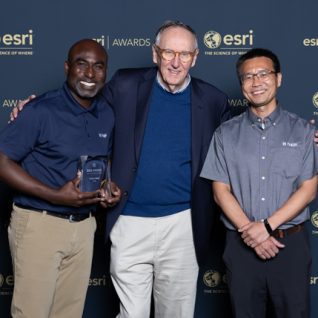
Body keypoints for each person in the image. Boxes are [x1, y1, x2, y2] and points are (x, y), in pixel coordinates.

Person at [10, 21, 231, 317]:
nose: (176, 62)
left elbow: (242, 140)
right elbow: (80, 101)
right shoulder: (125, 85)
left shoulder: (214, 99)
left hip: (182, 224)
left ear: (195, 57)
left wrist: (305, 134)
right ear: (155, 54)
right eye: (168, 53)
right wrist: (31, 107)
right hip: (129, 221)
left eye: (184, 54)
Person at [0, 39, 121, 318]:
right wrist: (56, 195)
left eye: (98, 66)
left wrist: (107, 187)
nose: (90, 74)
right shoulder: (40, 110)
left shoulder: (106, 114)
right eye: (82, 64)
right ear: (67, 67)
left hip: (83, 227)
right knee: (31, 313)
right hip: (39, 224)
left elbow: (103, 163)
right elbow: (2, 160)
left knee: (69, 314)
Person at [200, 48, 317, 318]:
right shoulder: (225, 134)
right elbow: (220, 192)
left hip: (290, 246)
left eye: (263, 74)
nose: (256, 82)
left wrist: (267, 226)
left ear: (278, 79)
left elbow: (308, 189)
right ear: (241, 85)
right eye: (248, 77)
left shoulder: (304, 131)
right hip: (241, 249)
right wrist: (250, 233)